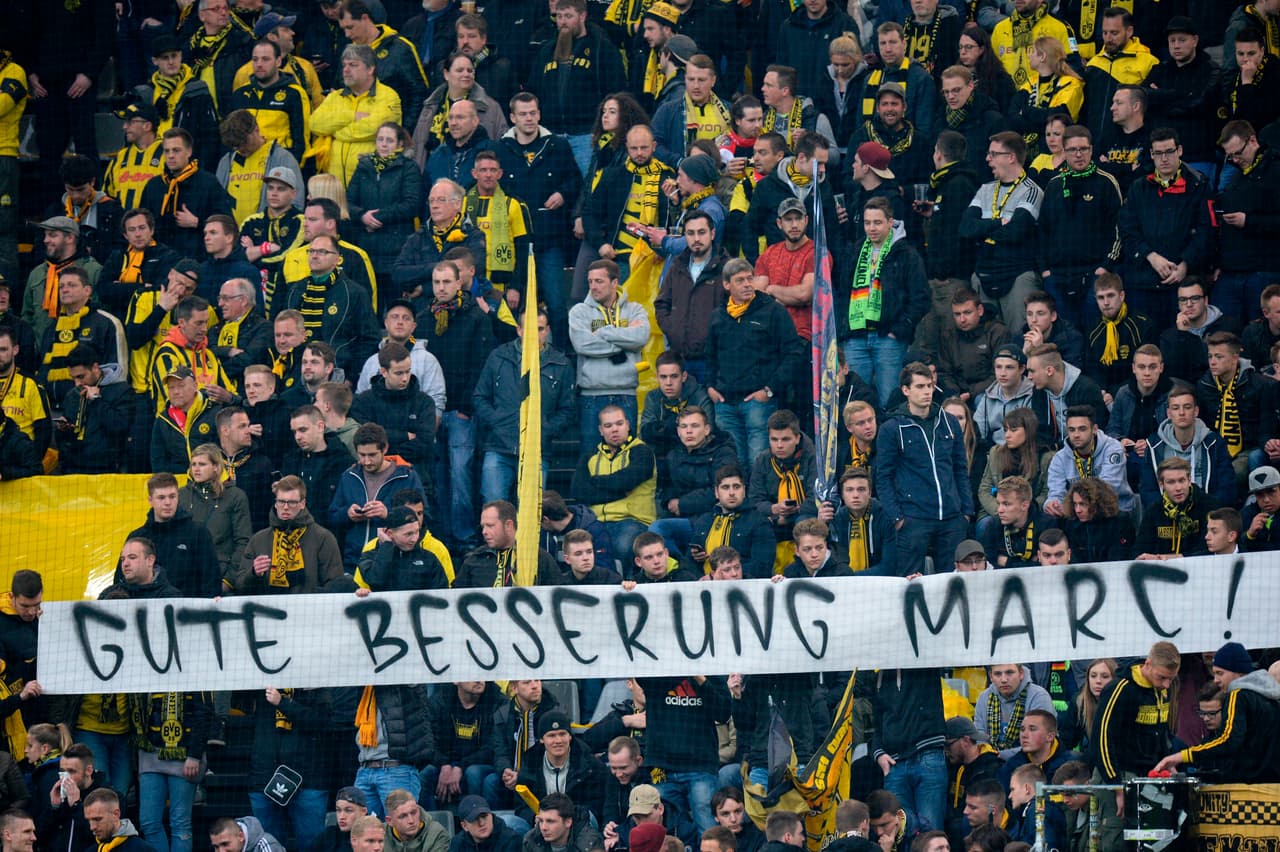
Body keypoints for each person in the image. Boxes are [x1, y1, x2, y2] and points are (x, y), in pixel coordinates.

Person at [877, 362, 973, 575]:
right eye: (920, 386)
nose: (927, 391)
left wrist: (966, 511)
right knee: (910, 584)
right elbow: (883, 477)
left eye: (929, 385)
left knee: (951, 584)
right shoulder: (892, 428)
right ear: (905, 390)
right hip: (913, 519)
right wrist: (898, 518)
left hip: (951, 517)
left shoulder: (949, 422)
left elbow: (960, 469)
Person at [1089, 642, 1180, 850]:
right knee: (1116, 840)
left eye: (1171, 679)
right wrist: (1116, 785)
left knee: (1152, 843)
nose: (1166, 684)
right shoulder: (1120, 688)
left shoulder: (1160, 690)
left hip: (1149, 777)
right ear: (1147, 664)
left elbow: (1161, 731)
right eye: (1162, 677)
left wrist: (1168, 761)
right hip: (1118, 774)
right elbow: (1102, 737)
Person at [1153, 641, 1280, 782]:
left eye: (1220, 673)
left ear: (1238, 672)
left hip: (1249, 791)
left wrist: (1181, 756)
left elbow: (1228, 740)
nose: (1216, 680)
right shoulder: (1271, 698)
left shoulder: (1238, 695)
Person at [960, 132, 1044, 330]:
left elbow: (1015, 232)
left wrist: (984, 228)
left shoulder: (1031, 190)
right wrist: (999, 223)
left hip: (1016, 275)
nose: (987, 159)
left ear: (1011, 157)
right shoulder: (985, 189)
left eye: (993, 154)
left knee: (1019, 338)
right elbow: (965, 228)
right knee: (988, 341)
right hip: (984, 273)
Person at [569, 260, 651, 447]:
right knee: (591, 459)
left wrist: (605, 332)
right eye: (590, 281)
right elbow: (582, 344)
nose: (593, 287)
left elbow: (640, 337)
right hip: (591, 396)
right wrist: (624, 343)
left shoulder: (635, 309)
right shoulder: (579, 312)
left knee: (627, 458)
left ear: (615, 283)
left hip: (626, 393)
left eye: (599, 281)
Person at [329, 423, 428, 567]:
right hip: (354, 562)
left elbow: (423, 518)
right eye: (362, 455)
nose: (367, 461)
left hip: (395, 563)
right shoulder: (348, 477)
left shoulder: (407, 477)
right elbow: (332, 516)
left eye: (372, 455)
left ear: (385, 449)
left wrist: (388, 514)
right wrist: (347, 514)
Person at [234, 474, 348, 594]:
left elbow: (335, 585)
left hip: (308, 610)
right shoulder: (258, 540)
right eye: (281, 501)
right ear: (276, 503)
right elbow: (240, 586)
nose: (286, 507)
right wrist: (253, 573)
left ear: (302, 504)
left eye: (292, 502)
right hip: (268, 611)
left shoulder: (323, 538)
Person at [311, 44, 403, 185]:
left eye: (353, 65)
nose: (346, 70)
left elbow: (373, 128)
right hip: (335, 184)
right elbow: (315, 124)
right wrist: (351, 116)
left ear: (370, 69)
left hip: (372, 183)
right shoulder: (335, 96)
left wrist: (334, 131)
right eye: (344, 65)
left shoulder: (388, 96)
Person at [139, 128, 234, 260]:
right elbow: (142, 222)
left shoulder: (208, 182)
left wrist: (197, 222)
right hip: (160, 261)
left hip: (198, 260)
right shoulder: (153, 186)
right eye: (167, 151)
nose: (170, 155)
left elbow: (228, 223)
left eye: (176, 150)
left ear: (189, 152)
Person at [1141, 382, 1237, 508]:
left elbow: (1227, 489)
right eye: (1176, 408)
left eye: (1187, 407)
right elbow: (1148, 491)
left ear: (1196, 411)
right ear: (1168, 413)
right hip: (1167, 515)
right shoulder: (1154, 445)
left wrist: (1204, 509)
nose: (1181, 413)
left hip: (1207, 514)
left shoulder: (1214, 443)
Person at [21, 217, 103, 348]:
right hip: (42, 358)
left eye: (52, 235)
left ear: (70, 238)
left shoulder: (92, 270)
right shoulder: (37, 273)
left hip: (81, 358)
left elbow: (102, 314)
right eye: (45, 235)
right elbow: (27, 316)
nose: (46, 240)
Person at [179, 444, 252, 587]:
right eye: (193, 464)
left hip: (220, 573)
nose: (196, 469)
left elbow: (243, 541)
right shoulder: (181, 495)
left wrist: (228, 580)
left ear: (216, 467)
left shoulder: (235, 496)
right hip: (185, 575)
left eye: (202, 464)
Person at [1044, 404, 1134, 516]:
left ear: (1094, 429)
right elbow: (1056, 493)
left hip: (1115, 510)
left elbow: (1108, 488)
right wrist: (1052, 504)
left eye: (1082, 429)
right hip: (1078, 513)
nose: (1076, 435)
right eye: (1071, 430)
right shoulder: (1059, 458)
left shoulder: (1112, 448)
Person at [455, 501, 563, 588]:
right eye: (483, 526)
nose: (484, 532)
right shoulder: (475, 559)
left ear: (508, 525)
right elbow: (455, 598)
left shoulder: (538, 558)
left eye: (490, 526)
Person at [1135, 457, 1222, 558]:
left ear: (1189, 480)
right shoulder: (1154, 510)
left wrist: (1178, 557)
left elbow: (1214, 548)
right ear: (1161, 484)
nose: (1178, 488)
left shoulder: (1210, 505)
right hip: (1162, 570)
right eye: (1171, 482)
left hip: (1200, 567)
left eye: (1181, 480)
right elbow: (1140, 549)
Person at [934, 288, 1011, 402]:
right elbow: (944, 372)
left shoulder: (998, 332)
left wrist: (971, 392)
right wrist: (955, 394)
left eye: (967, 313)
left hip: (988, 392)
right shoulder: (948, 335)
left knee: (981, 400)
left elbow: (1000, 374)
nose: (962, 319)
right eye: (957, 314)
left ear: (980, 310)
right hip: (957, 393)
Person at [821, 467, 896, 574]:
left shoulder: (885, 517)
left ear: (869, 493)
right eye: (849, 490)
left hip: (879, 582)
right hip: (843, 582)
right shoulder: (836, 519)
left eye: (861, 489)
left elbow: (889, 566)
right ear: (842, 494)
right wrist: (821, 525)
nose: (855, 495)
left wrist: (853, 578)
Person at [522, 793, 605, 852]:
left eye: (550, 821)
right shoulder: (531, 840)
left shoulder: (590, 843)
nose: (543, 827)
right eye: (541, 821)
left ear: (568, 822)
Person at [381, 790, 449, 852]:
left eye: (414, 813)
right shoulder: (379, 834)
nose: (411, 821)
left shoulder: (437, 834)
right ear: (390, 821)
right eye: (403, 816)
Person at [448, 795, 521, 852]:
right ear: (464, 826)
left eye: (484, 816)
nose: (482, 823)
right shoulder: (457, 843)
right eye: (474, 819)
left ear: (491, 815)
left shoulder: (510, 840)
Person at [208, 817, 285, 852]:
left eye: (225, 844)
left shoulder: (266, 845)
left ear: (241, 836)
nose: (221, 851)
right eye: (216, 847)